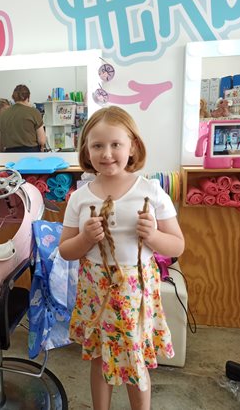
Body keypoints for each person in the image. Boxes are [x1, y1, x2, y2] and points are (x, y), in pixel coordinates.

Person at [59, 106, 185, 410]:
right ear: (86, 151)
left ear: (133, 147)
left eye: (116, 144)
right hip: (96, 292)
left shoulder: (152, 192)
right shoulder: (80, 197)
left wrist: (154, 237)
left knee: (135, 361)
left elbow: (177, 246)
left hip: (135, 294)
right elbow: (65, 250)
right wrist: (86, 239)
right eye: (97, 145)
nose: (107, 153)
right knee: (100, 357)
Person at [0, 84, 46, 152]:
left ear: (14, 97)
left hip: (9, 154)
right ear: (28, 97)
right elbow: (42, 141)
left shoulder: (2, 115)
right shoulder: (34, 112)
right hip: (31, 154)